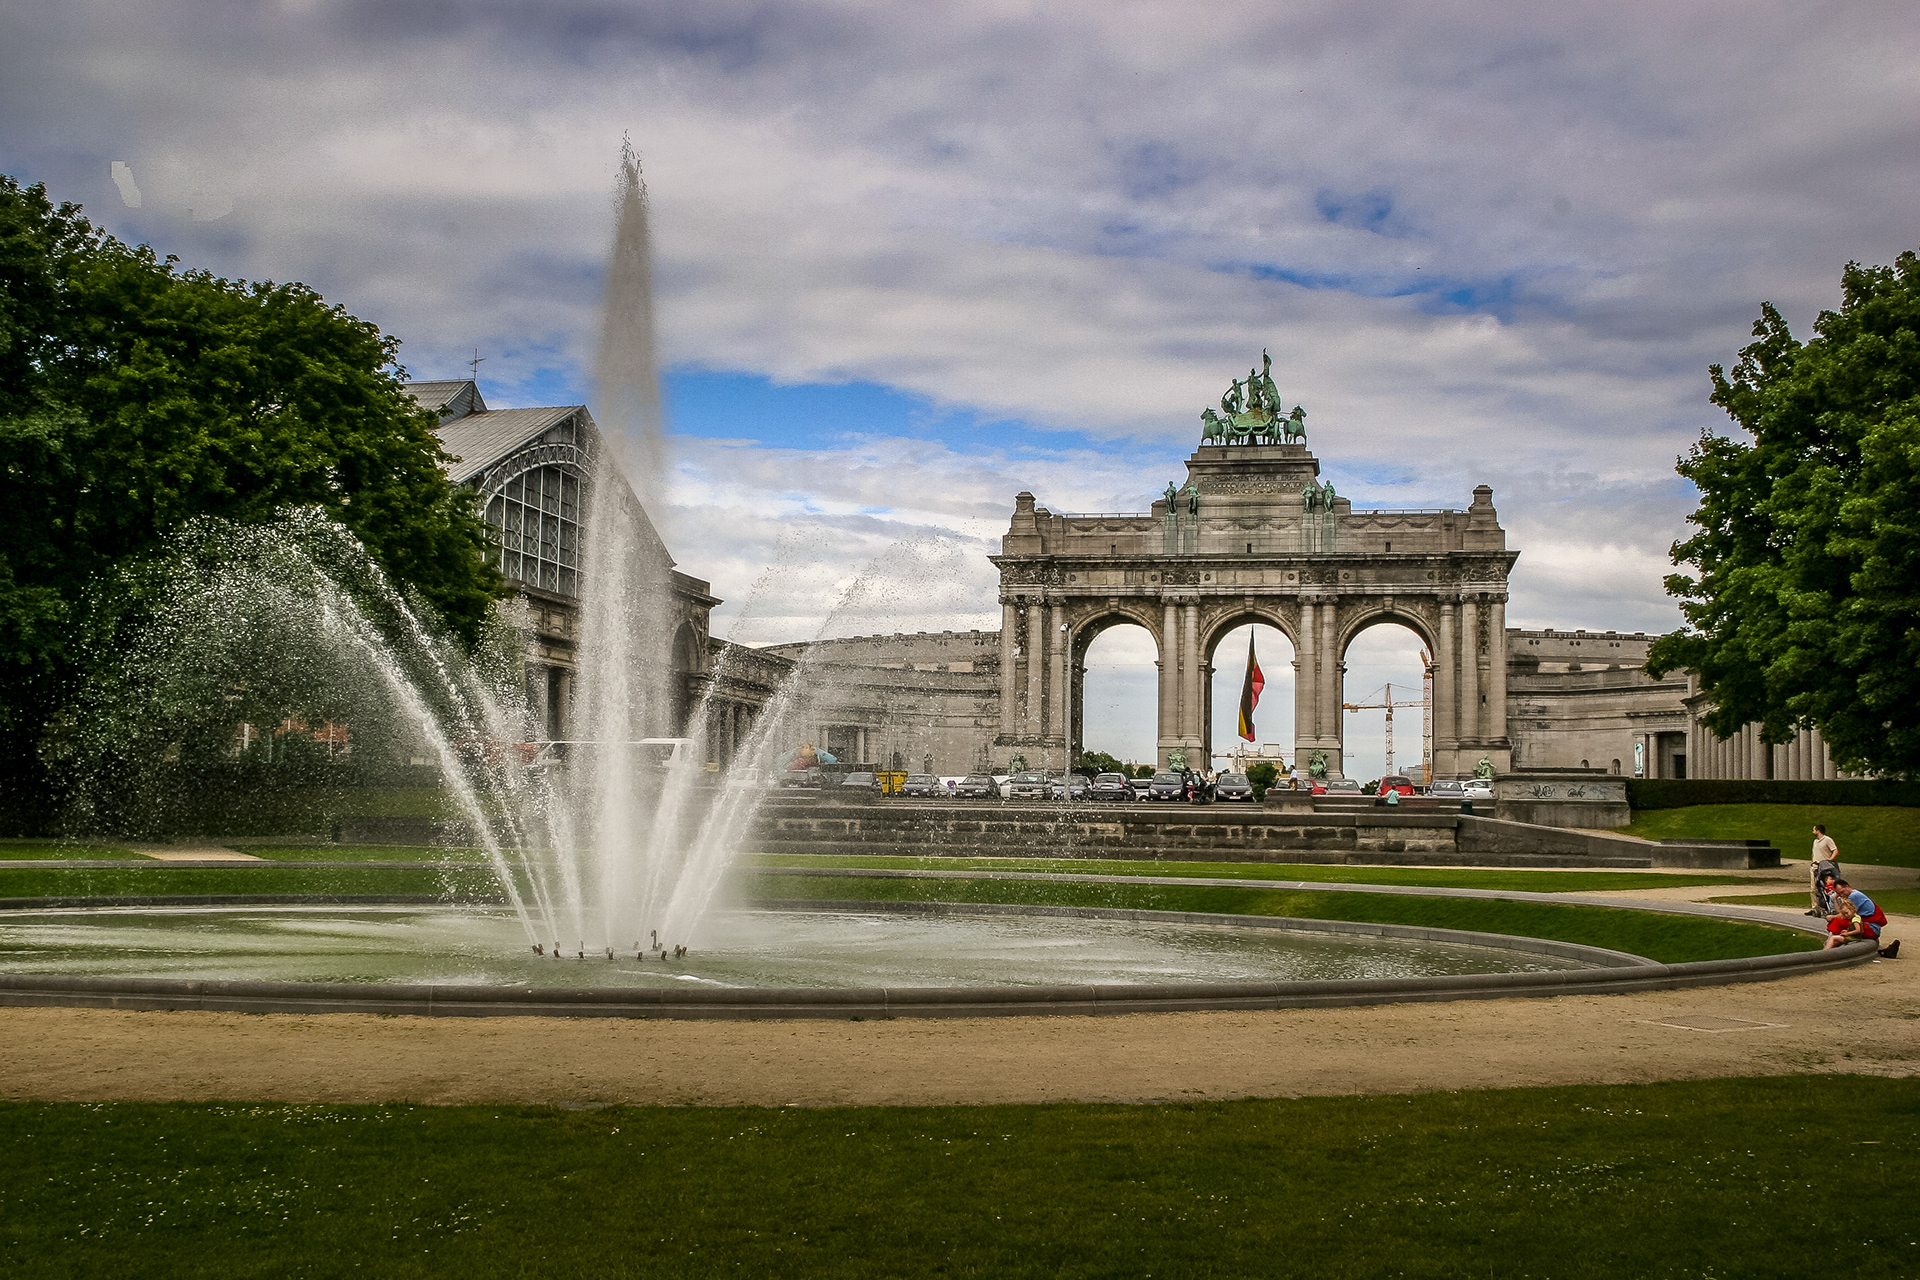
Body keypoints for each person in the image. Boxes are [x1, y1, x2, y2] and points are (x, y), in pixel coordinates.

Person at [1807, 824, 1840, 916]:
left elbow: (1835, 850)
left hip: (1824, 867)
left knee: (1824, 887)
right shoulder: (1815, 841)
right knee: (1814, 888)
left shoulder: (1827, 840)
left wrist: (1829, 860)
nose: (1813, 832)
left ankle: (1826, 906)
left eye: (1814, 830)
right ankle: (1815, 908)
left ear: (1818, 831)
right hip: (1815, 866)